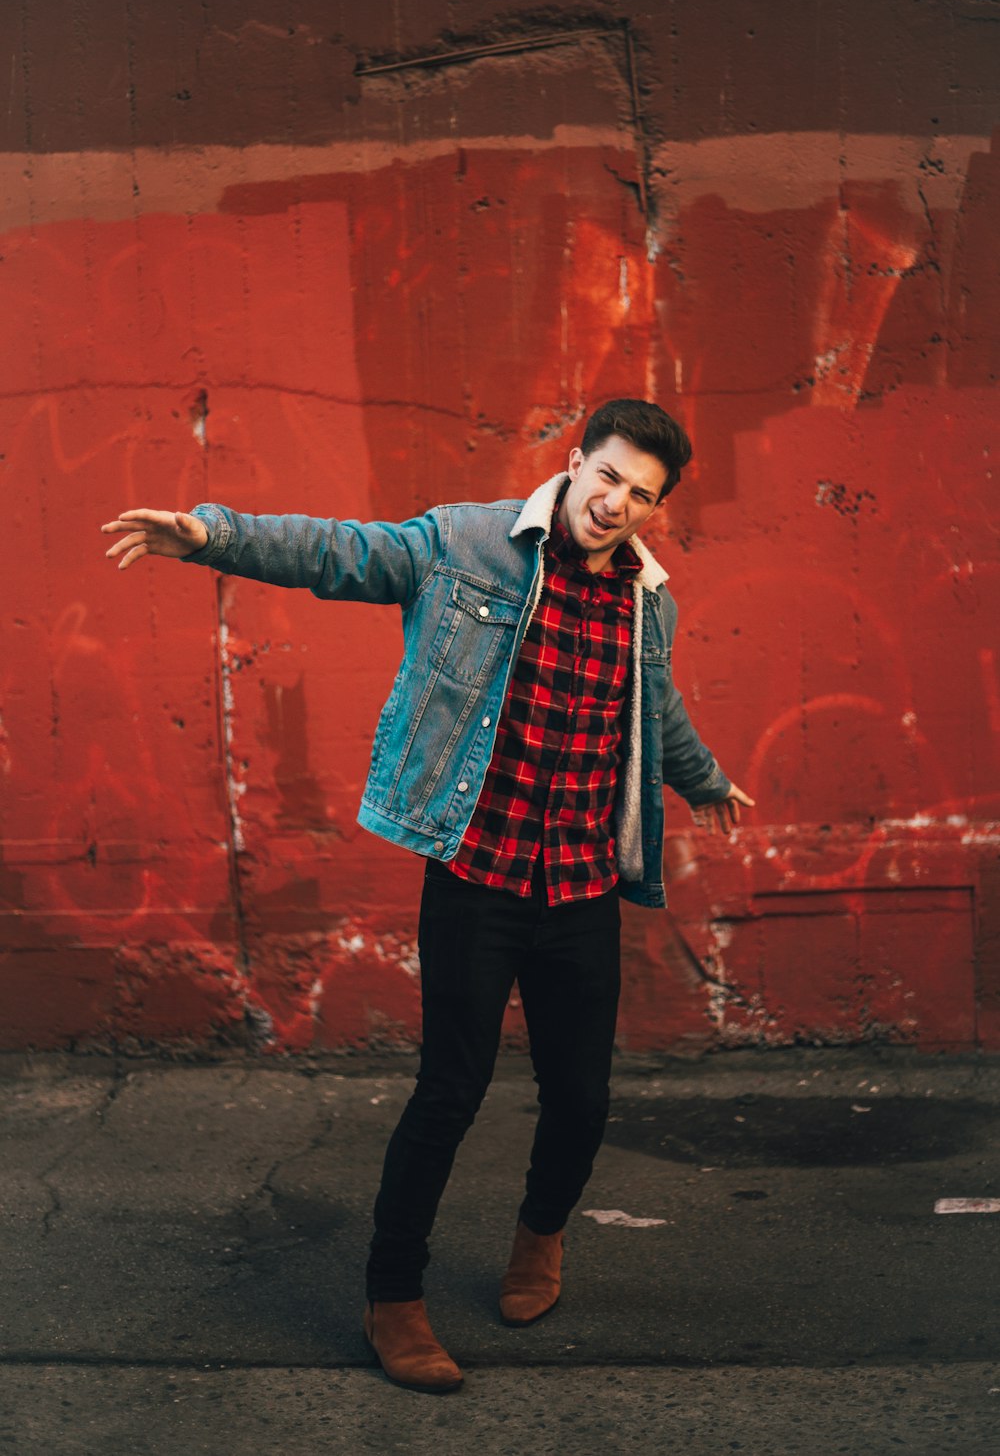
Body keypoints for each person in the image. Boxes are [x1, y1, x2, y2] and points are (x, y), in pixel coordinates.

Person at [102, 397, 753, 1395]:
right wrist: (209, 536)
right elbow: (342, 554)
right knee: (449, 1091)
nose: (616, 503)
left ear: (656, 508)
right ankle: (392, 1296)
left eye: (642, 494)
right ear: (575, 463)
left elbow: (652, 702)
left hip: (579, 885)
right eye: (609, 477)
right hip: (477, 876)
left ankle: (541, 1238)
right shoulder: (467, 545)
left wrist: (701, 777)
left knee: (581, 1100)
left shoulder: (642, 601)